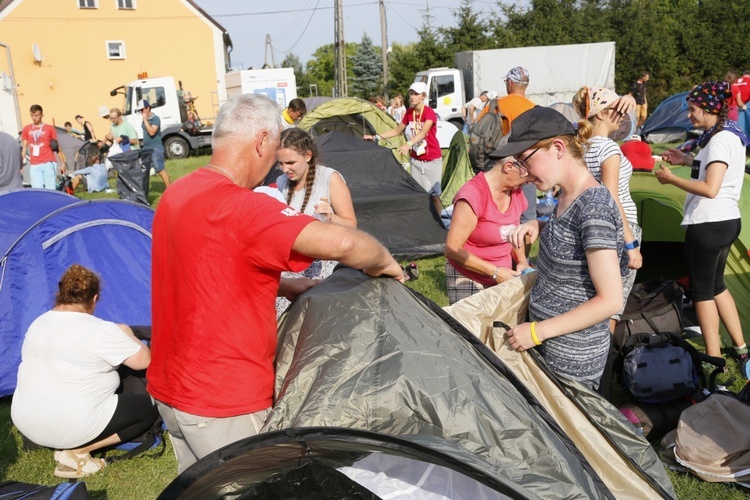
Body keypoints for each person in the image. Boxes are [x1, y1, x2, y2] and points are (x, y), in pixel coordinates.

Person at [147, 93, 403, 474]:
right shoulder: (247, 207)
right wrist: (388, 264)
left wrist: (281, 285)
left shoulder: (176, 193)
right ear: (262, 141)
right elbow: (345, 243)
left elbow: (203, 265)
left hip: (169, 389)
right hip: (223, 400)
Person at [498, 107, 628, 390]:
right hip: (551, 348)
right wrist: (540, 224)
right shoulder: (568, 195)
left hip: (572, 360)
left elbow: (611, 300)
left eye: (524, 160)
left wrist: (537, 331)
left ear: (557, 147)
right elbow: (575, 238)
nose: (524, 173)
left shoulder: (593, 207)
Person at [11, 264, 157, 478]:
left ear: (60, 294)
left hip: (27, 424)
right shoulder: (100, 330)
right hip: (71, 424)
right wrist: (128, 333)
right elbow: (144, 360)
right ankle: (78, 452)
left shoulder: (37, 323)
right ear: (95, 299)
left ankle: (61, 442)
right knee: (149, 408)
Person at [657, 81, 748, 366]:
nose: (689, 115)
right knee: (718, 286)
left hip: (709, 222)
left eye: (693, 109)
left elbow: (710, 187)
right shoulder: (727, 134)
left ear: (710, 108)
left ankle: (713, 358)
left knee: (702, 292)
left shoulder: (719, 140)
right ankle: (741, 348)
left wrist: (671, 178)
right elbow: (713, 167)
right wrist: (685, 159)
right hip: (727, 220)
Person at [572, 86, 643, 331]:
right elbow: (612, 198)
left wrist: (629, 98)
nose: (622, 114)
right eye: (615, 109)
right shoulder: (609, 149)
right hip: (621, 228)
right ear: (601, 113)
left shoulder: (581, 146)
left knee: (594, 297)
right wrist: (631, 243)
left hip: (592, 227)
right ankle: (606, 365)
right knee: (613, 305)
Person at [274, 127, 357, 315]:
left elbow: (352, 225)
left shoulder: (330, 178)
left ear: (308, 156)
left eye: (291, 162)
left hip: (322, 264)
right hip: (290, 263)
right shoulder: (281, 183)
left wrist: (331, 217)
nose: (285, 169)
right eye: (280, 164)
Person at [444, 156, 530, 304]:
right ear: (509, 167)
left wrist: (521, 261)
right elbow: (452, 249)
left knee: (503, 326)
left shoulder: (516, 191)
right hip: (469, 276)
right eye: (527, 175)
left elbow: (514, 231)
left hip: (504, 275)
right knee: (469, 326)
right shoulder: (473, 194)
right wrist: (495, 272)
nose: (529, 181)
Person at [363, 82, 442, 195]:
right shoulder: (409, 113)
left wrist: (408, 144)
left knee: (434, 196)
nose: (412, 97)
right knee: (419, 194)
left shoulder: (429, 113)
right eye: (411, 94)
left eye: (416, 94)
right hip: (416, 160)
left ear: (423, 96)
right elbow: (396, 130)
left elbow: (423, 133)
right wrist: (375, 137)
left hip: (432, 159)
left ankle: (437, 214)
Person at [20, 104, 61, 190]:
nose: (34, 118)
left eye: (37, 115)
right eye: (32, 115)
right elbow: (24, 148)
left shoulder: (49, 128)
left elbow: (56, 147)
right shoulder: (26, 129)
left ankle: (51, 203)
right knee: (37, 189)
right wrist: (20, 165)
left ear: (42, 115)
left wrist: (63, 162)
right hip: (34, 164)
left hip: (48, 162)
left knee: (50, 188)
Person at [136, 99, 170, 188]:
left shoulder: (155, 119)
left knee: (160, 170)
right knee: (143, 170)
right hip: (146, 148)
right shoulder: (145, 119)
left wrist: (145, 120)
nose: (141, 112)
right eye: (140, 110)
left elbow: (152, 132)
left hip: (156, 149)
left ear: (148, 108)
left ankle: (169, 189)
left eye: (142, 109)